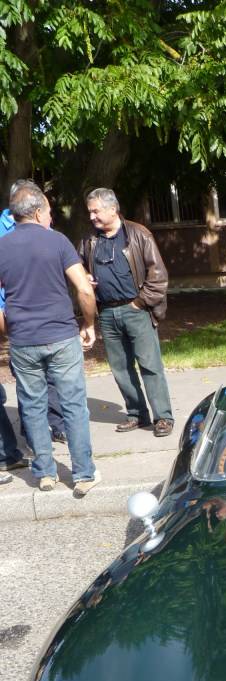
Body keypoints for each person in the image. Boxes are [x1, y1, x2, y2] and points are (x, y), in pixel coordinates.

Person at [0, 183, 100, 494]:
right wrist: (89, 323)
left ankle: (45, 473)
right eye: (49, 211)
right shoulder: (57, 241)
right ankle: (83, 474)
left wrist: (8, 331)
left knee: (31, 406)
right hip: (60, 335)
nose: (51, 217)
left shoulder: (1, 247)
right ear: (38, 212)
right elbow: (83, 288)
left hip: (23, 340)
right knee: (73, 405)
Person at [79, 187, 173, 437]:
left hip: (136, 310)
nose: (92, 217)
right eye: (90, 212)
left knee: (150, 364)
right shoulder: (90, 240)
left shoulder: (138, 234)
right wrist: (85, 276)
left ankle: (163, 417)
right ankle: (137, 414)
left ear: (112, 209)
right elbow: (77, 266)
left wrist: (140, 303)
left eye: (96, 211)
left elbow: (159, 276)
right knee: (120, 368)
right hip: (107, 314)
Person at [1, 181, 67, 444]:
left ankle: (56, 423)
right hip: (15, 313)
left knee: (52, 375)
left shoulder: (46, 227)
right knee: (27, 380)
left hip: (46, 312)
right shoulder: (4, 232)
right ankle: (32, 429)